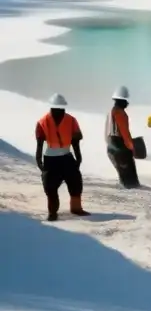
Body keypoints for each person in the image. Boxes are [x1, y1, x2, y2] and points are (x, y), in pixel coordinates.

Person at [35, 93, 90, 221]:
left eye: (61, 108)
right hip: (50, 158)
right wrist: (39, 160)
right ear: (52, 108)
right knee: (50, 187)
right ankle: (52, 212)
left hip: (66, 156)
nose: (60, 110)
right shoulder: (43, 122)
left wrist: (78, 158)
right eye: (57, 108)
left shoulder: (71, 120)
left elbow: (75, 141)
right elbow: (40, 143)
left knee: (76, 181)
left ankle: (76, 208)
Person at [106, 86, 140, 188]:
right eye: (125, 101)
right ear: (121, 101)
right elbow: (125, 132)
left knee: (123, 176)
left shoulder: (111, 111)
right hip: (120, 146)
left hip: (111, 145)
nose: (127, 103)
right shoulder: (120, 113)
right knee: (130, 181)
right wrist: (131, 147)